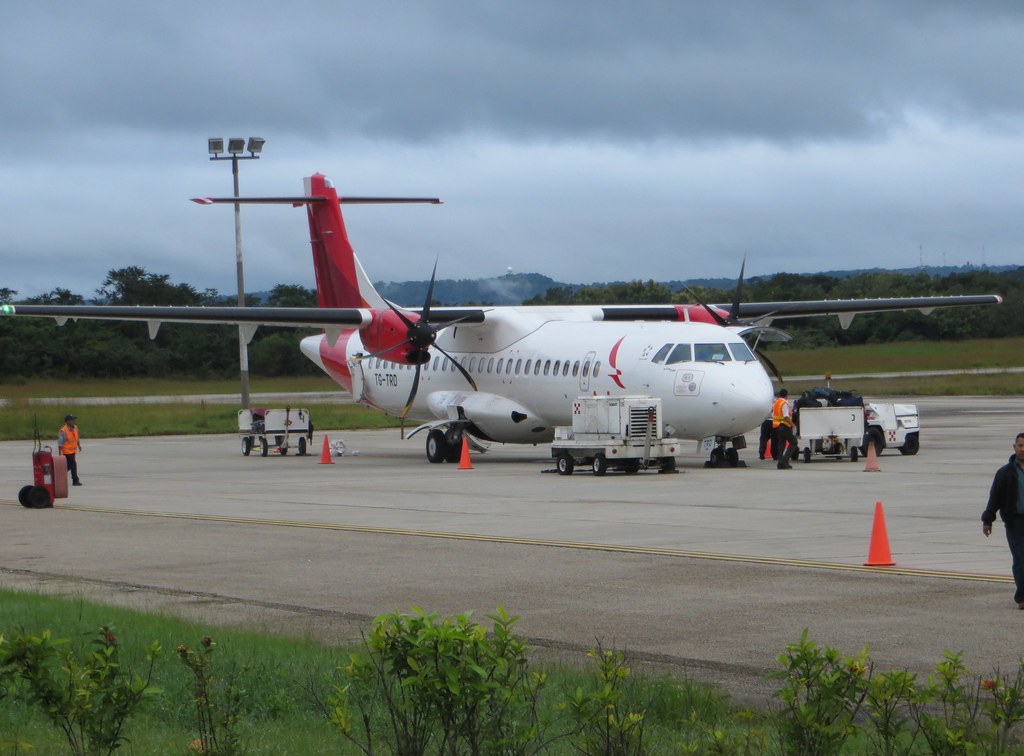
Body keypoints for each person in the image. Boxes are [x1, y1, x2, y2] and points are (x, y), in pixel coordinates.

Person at [981, 432, 1024, 608]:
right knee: (1021, 559)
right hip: (1015, 523)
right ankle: (1022, 597)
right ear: (1014, 447)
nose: (1023, 449)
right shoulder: (1005, 473)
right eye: (1020, 445)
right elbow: (995, 498)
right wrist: (988, 520)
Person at [772, 389, 798, 470]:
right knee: (793, 442)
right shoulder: (784, 403)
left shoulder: (776, 403)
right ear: (786, 395)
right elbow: (786, 416)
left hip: (777, 426)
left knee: (781, 444)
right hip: (784, 426)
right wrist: (793, 425)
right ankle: (784, 461)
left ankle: (780, 463)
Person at [58, 414, 83, 486]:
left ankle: (58, 475)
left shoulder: (75, 428)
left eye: (73, 420)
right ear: (67, 422)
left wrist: (79, 445)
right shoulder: (64, 431)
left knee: (68, 466)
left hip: (73, 451)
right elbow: (60, 443)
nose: (73, 421)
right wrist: (60, 454)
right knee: (73, 465)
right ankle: (75, 481)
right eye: (72, 420)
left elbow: (76, 438)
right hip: (67, 452)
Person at [758, 391, 778, 460]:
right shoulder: (777, 401)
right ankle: (775, 455)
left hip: (766, 421)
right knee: (774, 439)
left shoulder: (766, 400)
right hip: (774, 421)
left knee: (763, 437)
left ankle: (761, 451)